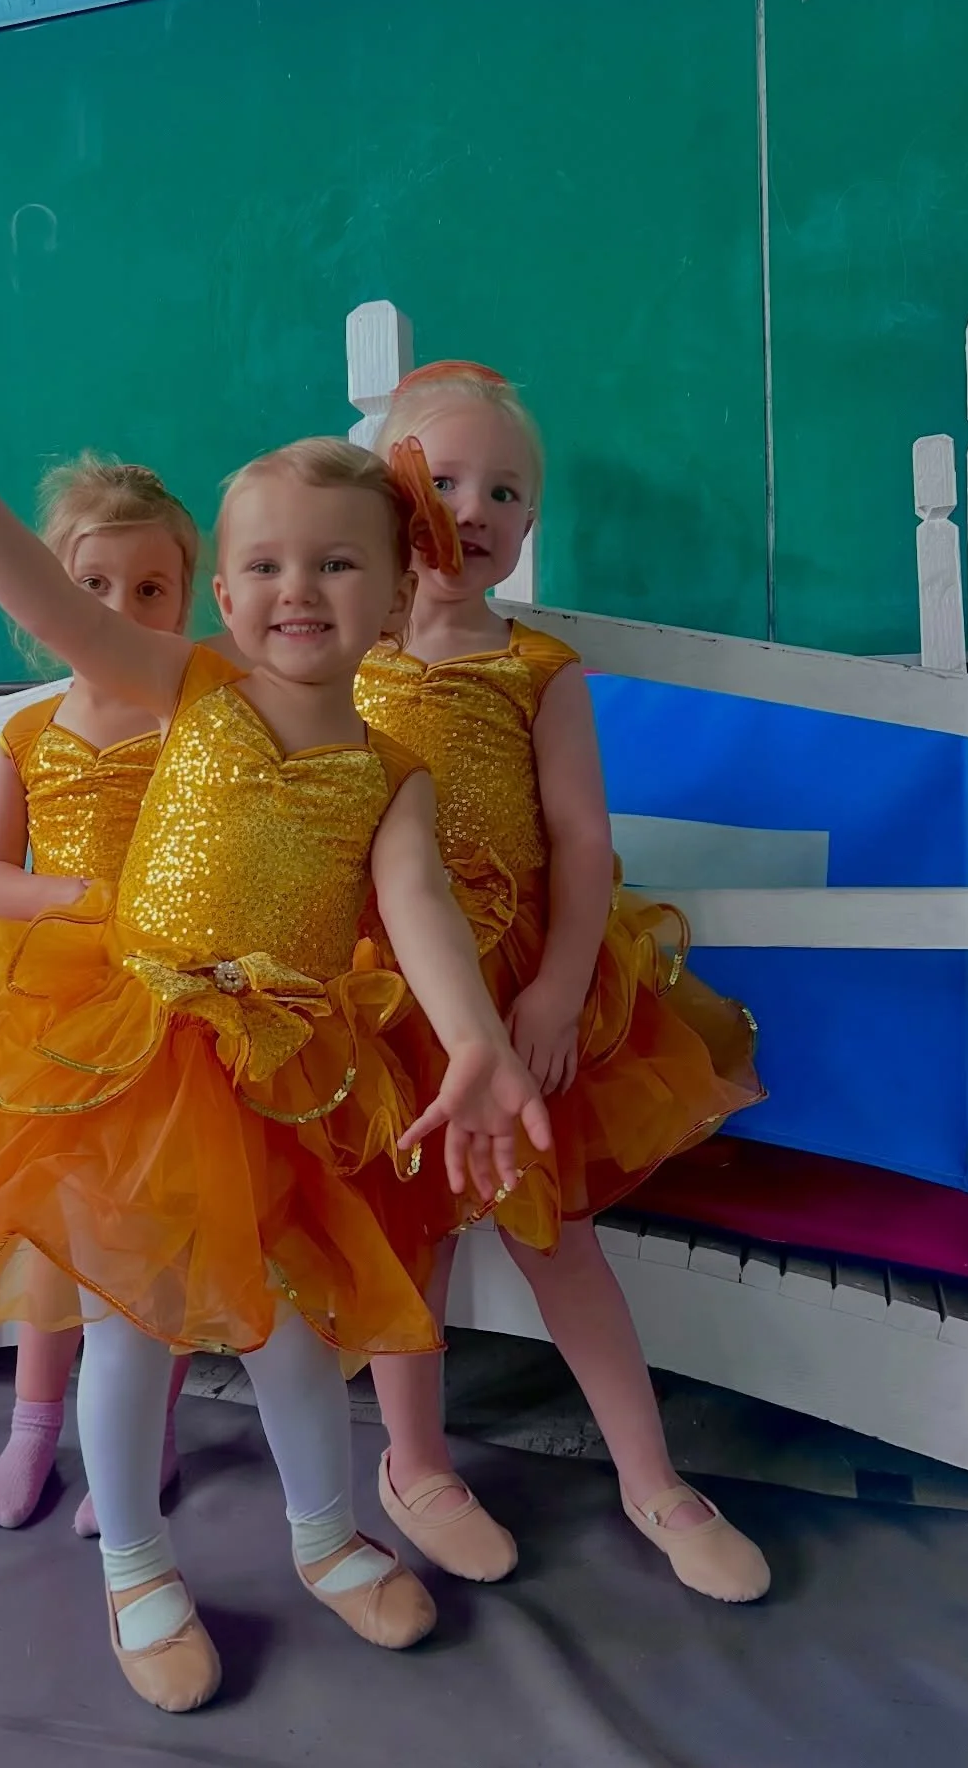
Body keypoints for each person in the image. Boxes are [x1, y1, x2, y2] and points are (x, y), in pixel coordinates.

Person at [0, 321, 552, 1712]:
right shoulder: (191, 685)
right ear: (224, 591)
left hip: (283, 1067)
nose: (295, 590)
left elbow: (429, 919)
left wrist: (478, 1040)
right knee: (134, 1326)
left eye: (336, 562)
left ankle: (326, 1532)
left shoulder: (393, 774)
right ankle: (137, 1565)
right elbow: (54, 596)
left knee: (287, 1326)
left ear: (397, 593)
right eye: (262, 564)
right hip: (135, 1051)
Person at [354, 360, 770, 1604]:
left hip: (525, 986)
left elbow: (585, 839)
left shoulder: (538, 667)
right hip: (387, 995)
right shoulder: (341, 655)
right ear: (386, 493)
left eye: (508, 490)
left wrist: (556, 990)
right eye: (444, 479)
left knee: (561, 1237)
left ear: (532, 525)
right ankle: (413, 1463)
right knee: (405, 1233)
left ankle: (651, 1477)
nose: (474, 507)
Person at [0, 456, 196, 1535]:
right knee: (58, 1235)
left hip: (167, 1014)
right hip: (57, 1016)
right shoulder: (25, 735)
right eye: (95, 587)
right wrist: (69, 894)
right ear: (52, 596)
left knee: (157, 1238)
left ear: (186, 598)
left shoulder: (189, 723)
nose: (122, 610)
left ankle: (140, 1441)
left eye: (151, 589)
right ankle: (32, 1426)